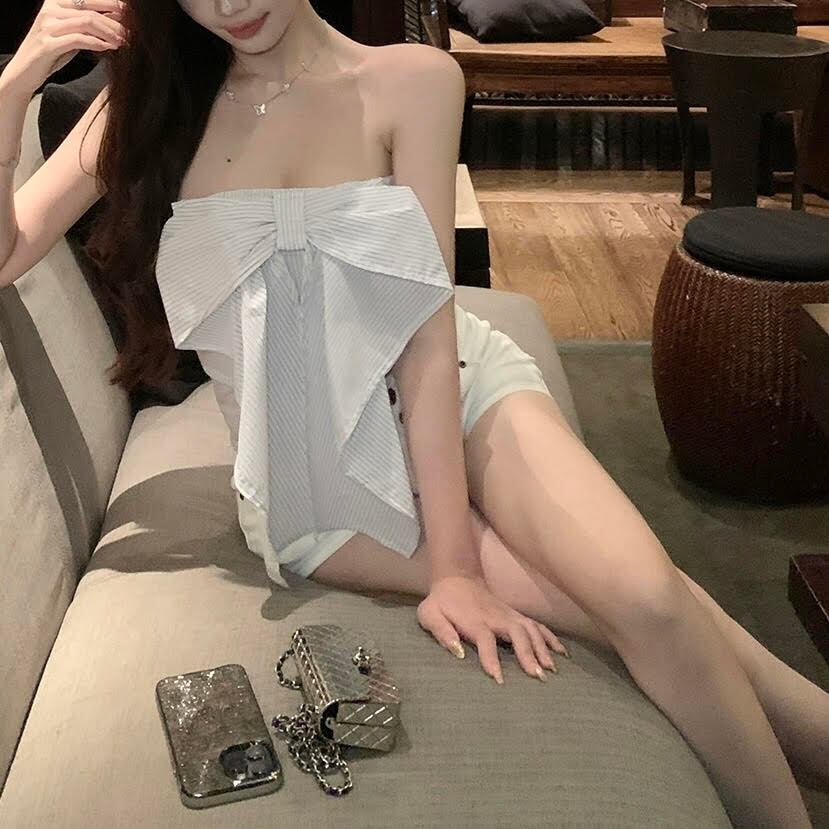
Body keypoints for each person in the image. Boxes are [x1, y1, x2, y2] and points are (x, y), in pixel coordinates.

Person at [0, 2, 826, 826]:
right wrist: (15, 82)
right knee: (643, 603)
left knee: (646, 597)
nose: (229, 6)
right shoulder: (145, 106)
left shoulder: (413, 80)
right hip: (314, 480)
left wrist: (455, 568)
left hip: (461, 390)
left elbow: (427, 330)